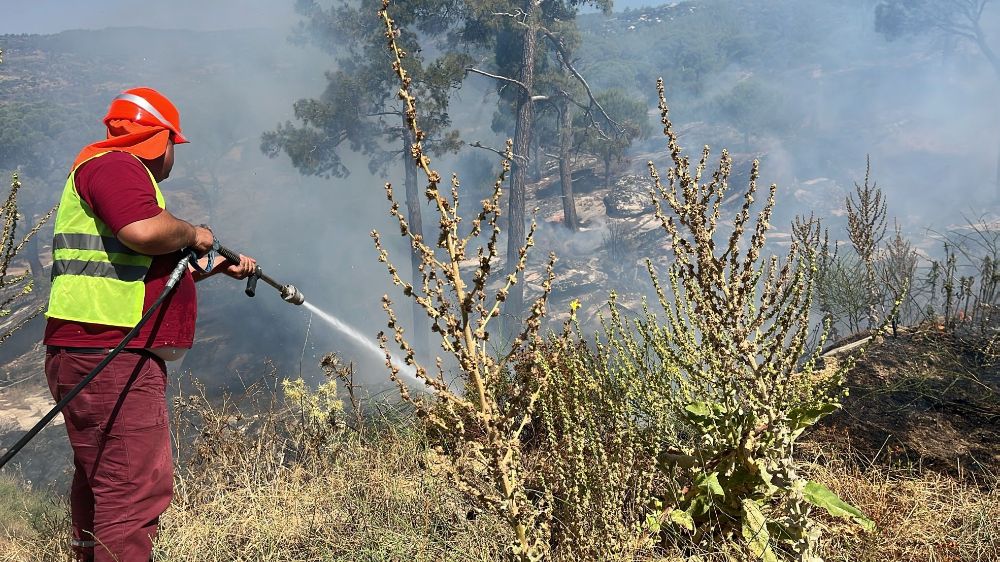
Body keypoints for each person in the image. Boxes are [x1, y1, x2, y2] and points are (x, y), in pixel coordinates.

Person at [43, 87, 256, 562]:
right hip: (112, 356)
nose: (171, 158)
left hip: (92, 352)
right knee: (134, 490)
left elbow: (135, 264)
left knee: (104, 482)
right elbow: (142, 232)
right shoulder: (117, 166)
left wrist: (212, 264)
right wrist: (195, 232)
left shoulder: (101, 169)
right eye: (173, 147)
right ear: (161, 140)